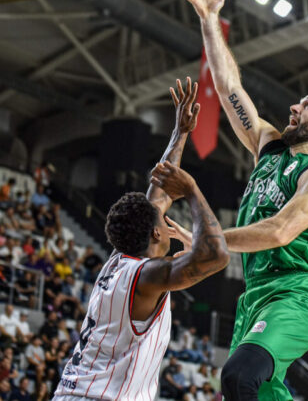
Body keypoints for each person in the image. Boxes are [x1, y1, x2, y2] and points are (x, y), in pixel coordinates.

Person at [179, 0, 308, 400]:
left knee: (238, 376)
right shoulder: (270, 147)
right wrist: (210, 22)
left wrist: (204, 238)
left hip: (296, 293)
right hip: (255, 295)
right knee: (260, 392)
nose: (294, 108)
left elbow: (281, 231)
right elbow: (229, 90)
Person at [52, 78, 229, 400]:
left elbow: (158, 193)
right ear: (156, 233)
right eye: (162, 216)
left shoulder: (118, 263)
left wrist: (181, 132)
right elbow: (218, 254)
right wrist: (191, 190)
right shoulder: (145, 276)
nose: (165, 210)